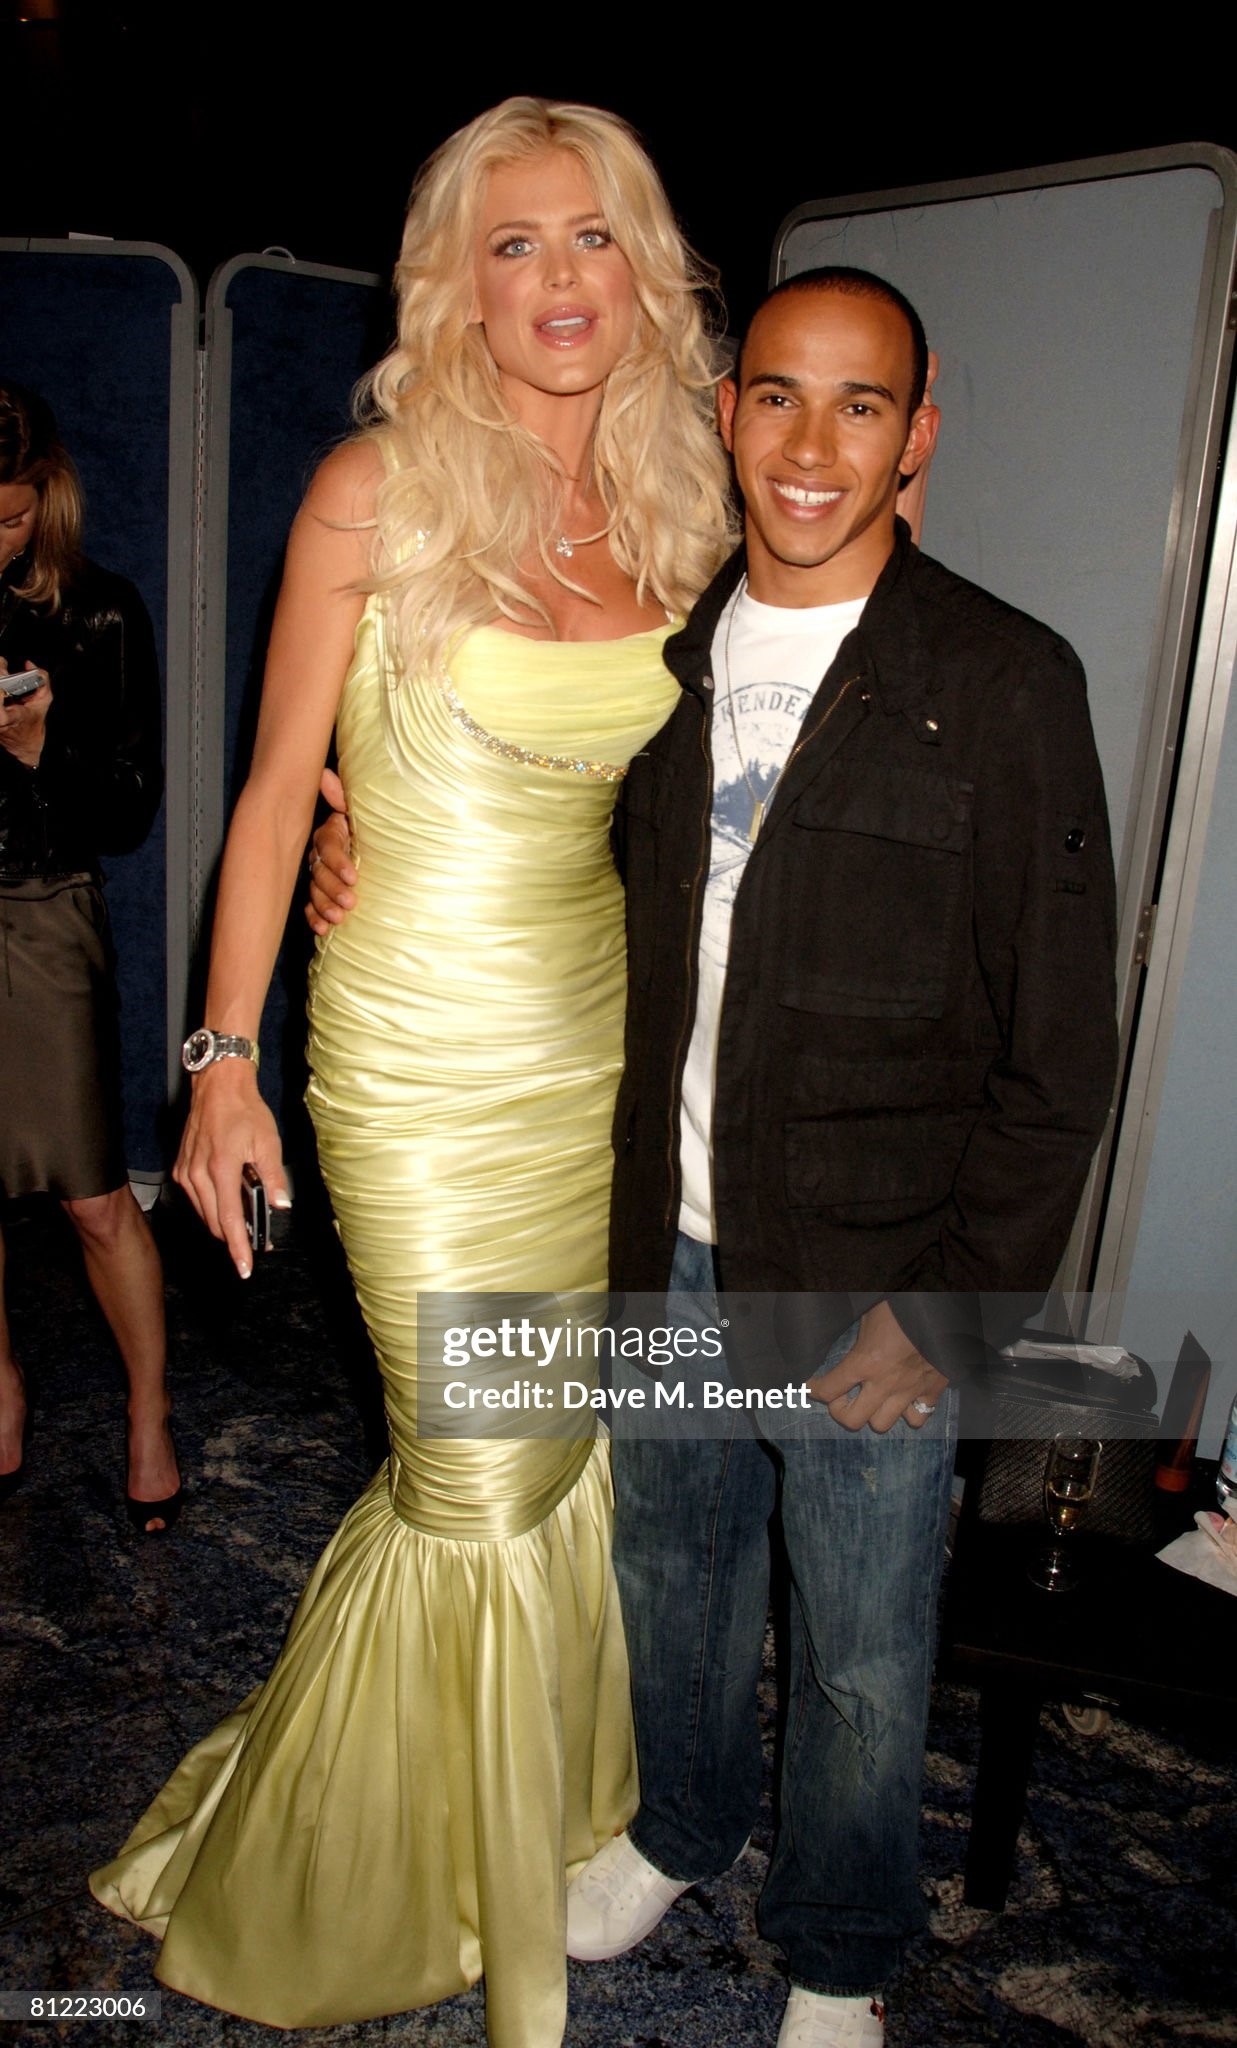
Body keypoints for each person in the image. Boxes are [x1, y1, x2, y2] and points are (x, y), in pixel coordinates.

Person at [90, 100, 731, 2048]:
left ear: (647, 269)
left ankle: (511, 1812)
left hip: (598, 1043)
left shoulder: (682, 500)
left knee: (559, 1454)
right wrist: (221, 1064)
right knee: (476, 1475)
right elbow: (280, 797)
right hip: (416, 1049)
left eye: (592, 238)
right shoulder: (376, 490)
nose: (556, 281)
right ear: (453, 281)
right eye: (513, 244)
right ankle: (374, 1888)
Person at [564, 272, 1120, 2047]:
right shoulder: (653, 653)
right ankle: (678, 1818)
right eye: (780, 400)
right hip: (667, 1240)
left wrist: (948, 1309)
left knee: (868, 1647)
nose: (813, 446)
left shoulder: (1002, 678)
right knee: (677, 1579)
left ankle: (839, 1942)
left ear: (918, 436)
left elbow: (1059, 1052)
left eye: (860, 406)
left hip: (870, 1273)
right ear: (726, 413)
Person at [0, 381, 180, 1532]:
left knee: (95, 1199)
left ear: (46, 498)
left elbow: (125, 813)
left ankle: (150, 1415)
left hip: (43, 910)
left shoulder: (98, 611)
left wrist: (33, 749)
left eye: (9, 516)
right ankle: (0, 1394)